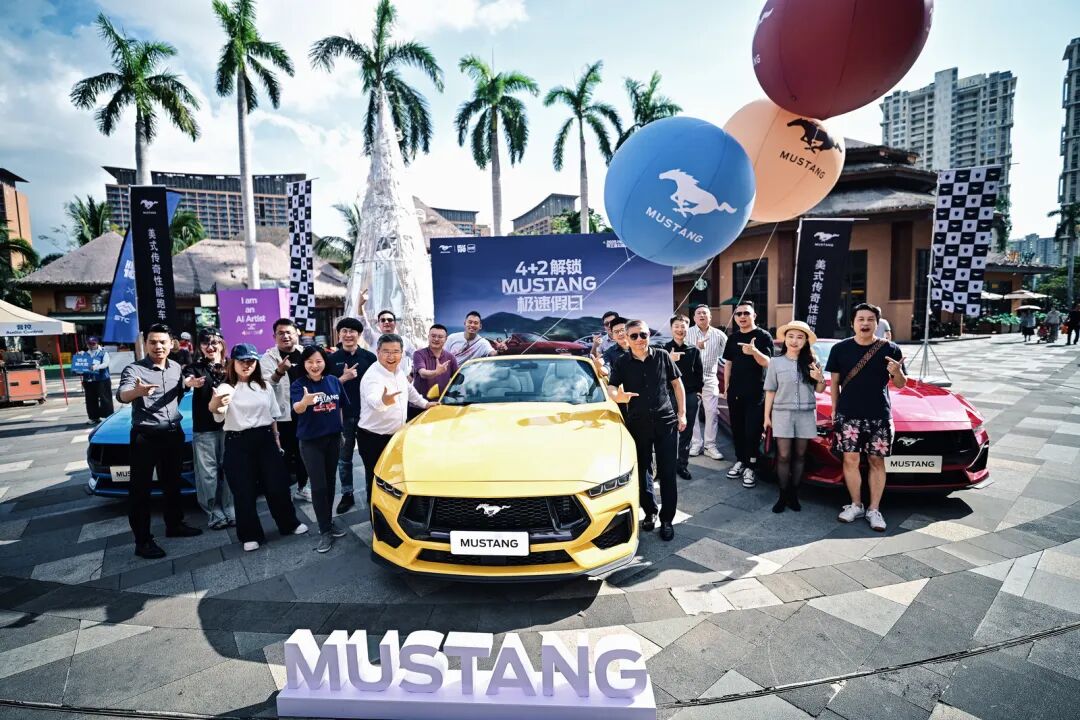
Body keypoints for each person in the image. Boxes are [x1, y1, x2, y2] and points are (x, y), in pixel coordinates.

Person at [115, 324, 203, 559]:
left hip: (173, 434)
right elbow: (123, 394)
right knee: (140, 491)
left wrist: (188, 384)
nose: (158, 346)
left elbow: (177, 392)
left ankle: (174, 525)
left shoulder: (175, 367)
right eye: (153, 342)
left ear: (171, 344)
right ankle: (143, 541)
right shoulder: (134, 369)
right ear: (145, 344)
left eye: (162, 342)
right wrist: (137, 392)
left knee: (172, 484)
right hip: (146, 437)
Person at [209, 343, 308, 552]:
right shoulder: (227, 387)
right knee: (243, 490)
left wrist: (277, 440)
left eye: (251, 361)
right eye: (242, 361)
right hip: (238, 442)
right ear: (232, 363)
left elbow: (273, 416)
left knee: (277, 485)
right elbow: (216, 409)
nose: (247, 365)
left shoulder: (264, 386)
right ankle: (250, 534)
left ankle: (289, 523)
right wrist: (216, 402)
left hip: (265, 440)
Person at [825, 303, 907, 532]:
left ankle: (874, 509)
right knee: (850, 460)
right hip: (849, 415)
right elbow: (834, 382)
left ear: (877, 323)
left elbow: (901, 384)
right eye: (860, 319)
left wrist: (897, 373)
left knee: (876, 461)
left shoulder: (890, 349)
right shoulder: (840, 349)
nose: (865, 323)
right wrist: (835, 409)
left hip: (879, 415)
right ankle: (856, 505)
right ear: (852, 323)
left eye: (870, 319)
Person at [608, 320, 687, 541]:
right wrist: (618, 397)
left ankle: (667, 519)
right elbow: (611, 386)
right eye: (634, 336)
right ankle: (650, 512)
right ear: (627, 338)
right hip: (638, 423)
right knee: (643, 470)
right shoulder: (622, 362)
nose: (639, 339)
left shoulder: (662, 356)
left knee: (668, 472)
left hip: (666, 422)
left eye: (643, 334)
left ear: (649, 335)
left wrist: (682, 414)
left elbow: (677, 385)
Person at [357, 334, 436, 503]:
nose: (391, 356)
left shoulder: (398, 371)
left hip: (395, 435)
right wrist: (383, 401)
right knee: (376, 479)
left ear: (402, 353)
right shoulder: (373, 376)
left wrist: (424, 403)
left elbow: (409, 390)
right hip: (373, 438)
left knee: (396, 478)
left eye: (395, 352)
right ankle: (376, 514)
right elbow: (373, 400)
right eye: (386, 351)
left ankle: (395, 509)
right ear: (378, 352)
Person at [292, 346, 350, 553]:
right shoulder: (299, 384)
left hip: (332, 439)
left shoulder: (333, 381)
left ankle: (328, 521)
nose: (314, 365)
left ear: (325, 362)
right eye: (309, 362)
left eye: (318, 361)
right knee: (318, 487)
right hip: (311, 442)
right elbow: (297, 408)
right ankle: (324, 530)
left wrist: (341, 432)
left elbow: (340, 406)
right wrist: (304, 402)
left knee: (331, 482)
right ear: (304, 364)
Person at [764, 321, 826, 513]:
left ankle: (794, 494)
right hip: (782, 414)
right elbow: (770, 390)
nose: (794, 341)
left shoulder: (812, 362)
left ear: (805, 341)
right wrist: (766, 416)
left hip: (806, 414)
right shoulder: (775, 362)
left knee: (800, 455)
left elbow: (820, 389)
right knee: (783, 456)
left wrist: (819, 378)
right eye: (791, 336)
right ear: (785, 339)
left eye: (800, 337)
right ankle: (782, 495)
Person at [182, 328, 234, 530]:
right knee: (207, 474)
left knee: (230, 468)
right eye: (205, 343)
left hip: (231, 426)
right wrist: (192, 383)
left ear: (222, 344)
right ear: (199, 347)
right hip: (204, 428)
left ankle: (231, 508)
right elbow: (187, 380)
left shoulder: (231, 365)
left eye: (214, 342)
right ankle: (213, 512)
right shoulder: (195, 368)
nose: (210, 347)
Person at [722, 301, 773, 488]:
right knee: (737, 429)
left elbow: (768, 362)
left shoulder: (763, 336)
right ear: (735, 317)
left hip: (756, 392)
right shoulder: (732, 338)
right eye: (739, 314)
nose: (742, 316)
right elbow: (728, 363)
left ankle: (751, 465)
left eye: (746, 313)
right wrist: (726, 386)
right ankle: (740, 460)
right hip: (735, 391)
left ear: (754, 316)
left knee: (752, 431)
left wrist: (754, 351)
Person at [328, 317, 375, 515]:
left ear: (359, 334)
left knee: (369, 457)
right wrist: (343, 378)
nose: (348, 335)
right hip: (343, 416)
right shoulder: (331, 359)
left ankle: (373, 493)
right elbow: (326, 388)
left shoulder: (370, 358)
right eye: (344, 331)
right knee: (344, 459)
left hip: (367, 416)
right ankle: (347, 494)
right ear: (339, 334)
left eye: (352, 331)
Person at [260, 318, 310, 501]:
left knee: (305, 454)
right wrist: (279, 372)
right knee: (284, 456)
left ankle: (303, 487)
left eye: (289, 332)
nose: (285, 336)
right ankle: (284, 492)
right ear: (274, 336)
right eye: (280, 333)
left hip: (305, 414)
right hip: (282, 418)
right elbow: (264, 388)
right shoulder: (267, 359)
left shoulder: (306, 354)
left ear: (296, 334)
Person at [664, 314, 703, 480]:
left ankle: (682, 465)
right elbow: (658, 374)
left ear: (688, 328)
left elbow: (699, 373)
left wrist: (698, 393)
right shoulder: (663, 350)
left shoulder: (693, 350)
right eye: (677, 326)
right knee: (668, 432)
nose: (680, 329)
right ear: (671, 328)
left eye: (683, 326)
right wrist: (669, 359)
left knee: (686, 433)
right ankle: (667, 465)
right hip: (668, 396)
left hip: (690, 396)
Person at [686, 304, 727, 461]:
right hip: (691, 379)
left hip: (710, 377)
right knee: (692, 413)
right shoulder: (687, 333)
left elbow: (726, 356)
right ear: (694, 317)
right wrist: (696, 348)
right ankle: (696, 443)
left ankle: (710, 446)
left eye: (705, 313)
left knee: (712, 412)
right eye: (698, 313)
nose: (702, 315)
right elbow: (681, 354)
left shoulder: (719, 335)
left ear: (710, 317)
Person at [358, 289, 415, 376]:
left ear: (395, 323)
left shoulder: (404, 341)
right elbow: (363, 323)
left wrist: (412, 374)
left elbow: (417, 357)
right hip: (378, 380)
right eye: (383, 320)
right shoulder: (372, 338)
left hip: (399, 381)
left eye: (390, 320)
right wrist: (360, 306)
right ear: (378, 324)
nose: (386, 322)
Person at [413, 324, 459, 401]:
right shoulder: (419, 354)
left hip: (441, 404)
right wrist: (436, 372)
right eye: (433, 336)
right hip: (420, 404)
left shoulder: (450, 357)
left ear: (446, 339)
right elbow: (423, 373)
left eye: (440, 337)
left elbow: (457, 379)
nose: (436, 339)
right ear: (428, 337)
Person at [80, 336, 114, 425]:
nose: (91, 345)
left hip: (102, 379)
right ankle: (94, 417)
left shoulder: (103, 352)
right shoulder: (84, 354)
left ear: (97, 343)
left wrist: (96, 367)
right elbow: (80, 365)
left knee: (105, 399)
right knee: (90, 399)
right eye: (89, 344)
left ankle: (108, 417)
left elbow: (106, 364)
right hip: (89, 380)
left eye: (93, 343)